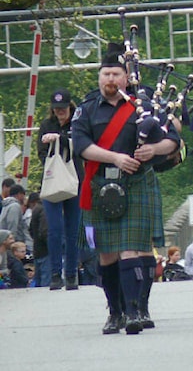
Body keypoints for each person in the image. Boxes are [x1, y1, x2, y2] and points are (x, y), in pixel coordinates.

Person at [72, 41, 181, 335]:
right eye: (105, 74)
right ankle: (115, 311)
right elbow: (81, 146)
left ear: (125, 77)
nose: (110, 80)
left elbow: (172, 140)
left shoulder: (143, 105)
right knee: (106, 253)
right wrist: (115, 157)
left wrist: (153, 149)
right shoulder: (86, 110)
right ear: (99, 77)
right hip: (100, 184)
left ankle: (134, 310)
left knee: (131, 249)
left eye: (115, 74)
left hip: (135, 184)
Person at [37, 88, 83, 291]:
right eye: (56, 109)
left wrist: (60, 139)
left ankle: (72, 274)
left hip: (75, 181)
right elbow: (41, 153)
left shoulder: (78, 123)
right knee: (54, 230)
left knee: (73, 231)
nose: (60, 112)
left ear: (69, 106)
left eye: (63, 108)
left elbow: (82, 147)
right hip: (54, 180)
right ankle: (56, 273)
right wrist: (50, 146)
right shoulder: (46, 125)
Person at [27, 193, 49, 286]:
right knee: (46, 283)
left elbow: (31, 230)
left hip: (37, 251)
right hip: (47, 252)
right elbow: (45, 232)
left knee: (39, 283)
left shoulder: (36, 208)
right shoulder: (45, 208)